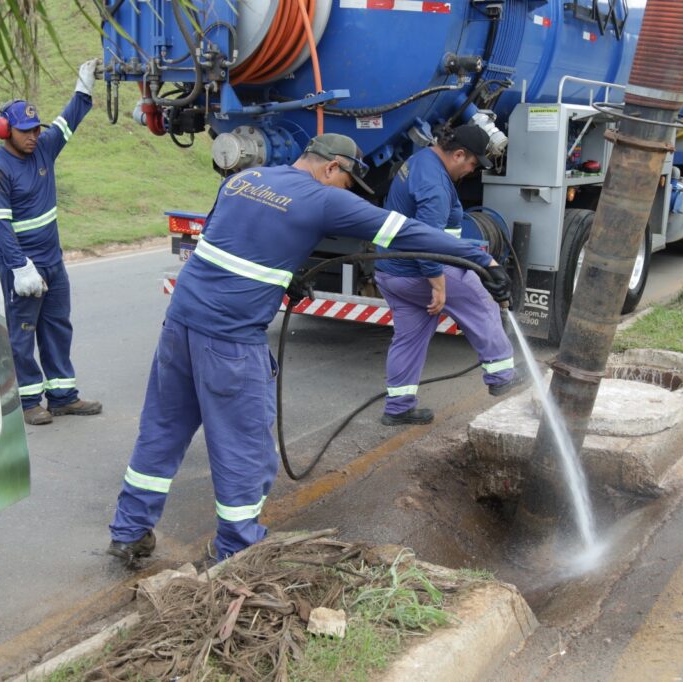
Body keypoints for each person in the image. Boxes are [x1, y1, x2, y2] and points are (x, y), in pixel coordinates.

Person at [106, 133, 512, 565]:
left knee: (162, 429)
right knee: (245, 448)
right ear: (331, 167)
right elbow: (408, 231)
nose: (349, 193)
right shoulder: (323, 199)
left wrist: (284, 275)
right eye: (348, 181)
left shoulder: (245, 178)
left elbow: (230, 241)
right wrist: (479, 259)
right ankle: (236, 549)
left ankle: (129, 532)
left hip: (180, 325)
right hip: (229, 341)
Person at [0, 59, 104, 426]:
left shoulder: (44, 148)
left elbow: (68, 122)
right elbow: (0, 227)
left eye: (35, 129)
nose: (33, 136)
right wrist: (19, 267)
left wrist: (84, 88)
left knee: (58, 326)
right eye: (25, 131)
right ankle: (30, 401)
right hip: (24, 267)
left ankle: (63, 396)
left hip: (53, 262)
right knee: (23, 335)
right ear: (5, 131)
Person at [374, 124, 520, 426]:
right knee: (482, 300)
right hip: (420, 270)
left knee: (409, 338)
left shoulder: (421, 161)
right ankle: (502, 375)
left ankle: (398, 406)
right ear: (458, 154)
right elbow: (426, 243)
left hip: (390, 272)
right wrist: (438, 286)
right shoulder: (436, 187)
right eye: (472, 164)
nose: (471, 170)